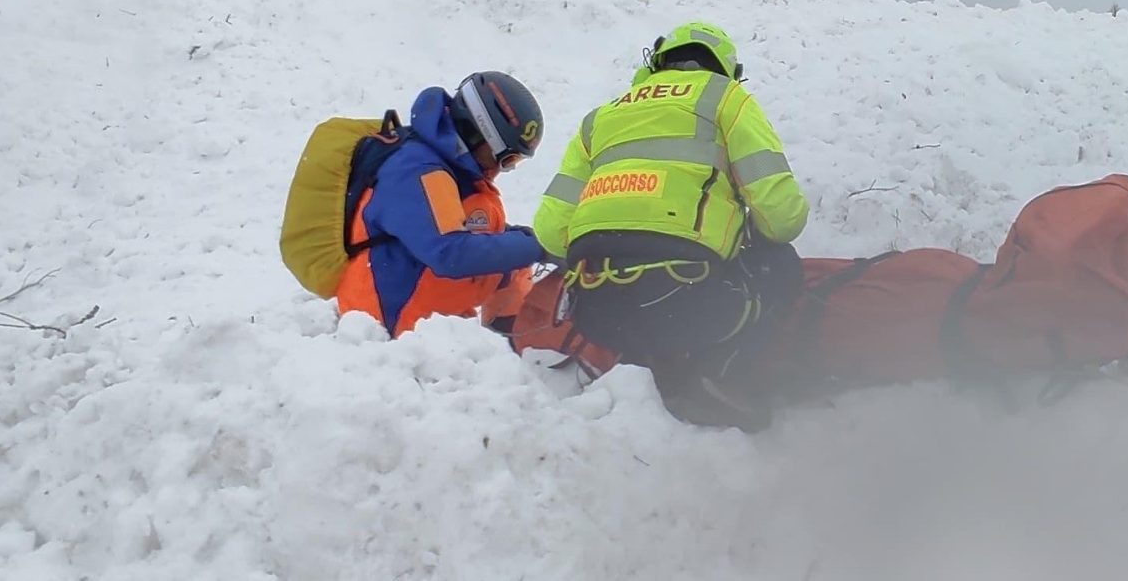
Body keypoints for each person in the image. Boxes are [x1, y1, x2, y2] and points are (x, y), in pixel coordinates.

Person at [532, 22, 809, 430]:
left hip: (594, 308)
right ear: (726, 69)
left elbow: (550, 231)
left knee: (644, 304)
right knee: (781, 264)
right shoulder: (725, 99)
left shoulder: (600, 118)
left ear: (658, 61)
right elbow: (781, 216)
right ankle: (717, 375)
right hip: (688, 300)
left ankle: (641, 370)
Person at [336, 70, 549, 335]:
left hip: (416, 302)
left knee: (514, 259)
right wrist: (539, 247)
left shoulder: (445, 165)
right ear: (477, 134)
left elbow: (456, 227)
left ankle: (510, 348)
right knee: (514, 253)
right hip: (387, 322)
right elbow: (450, 254)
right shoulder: (416, 169)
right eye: (506, 160)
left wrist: (526, 239)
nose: (503, 169)